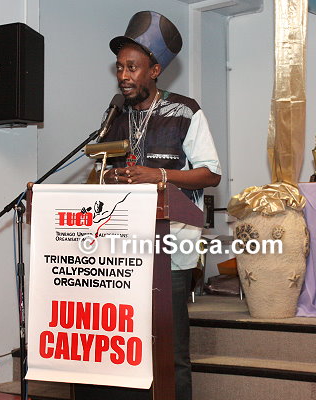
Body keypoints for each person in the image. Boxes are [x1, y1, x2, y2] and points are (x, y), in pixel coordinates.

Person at [102, 11, 222, 400]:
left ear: (154, 71)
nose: (123, 75)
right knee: (126, 345)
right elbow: (100, 171)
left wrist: (161, 176)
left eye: (132, 67)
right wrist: (110, 179)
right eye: (120, 67)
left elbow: (211, 174)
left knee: (170, 352)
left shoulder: (185, 111)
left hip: (172, 245)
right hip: (122, 249)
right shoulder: (114, 115)